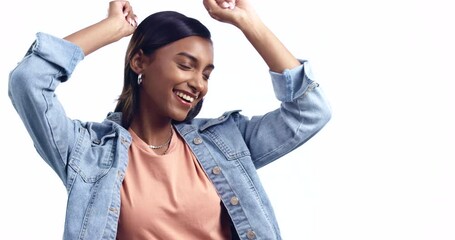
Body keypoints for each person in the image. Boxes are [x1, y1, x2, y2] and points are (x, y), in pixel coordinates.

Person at [8, 0, 331, 239]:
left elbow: (310, 111)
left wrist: (249, 23)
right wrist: (111, 29)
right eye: (186, 65)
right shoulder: (87, 154)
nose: (199, 84)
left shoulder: (227, 142)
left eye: (206, 73)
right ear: (139, 61)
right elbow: (29, 80)